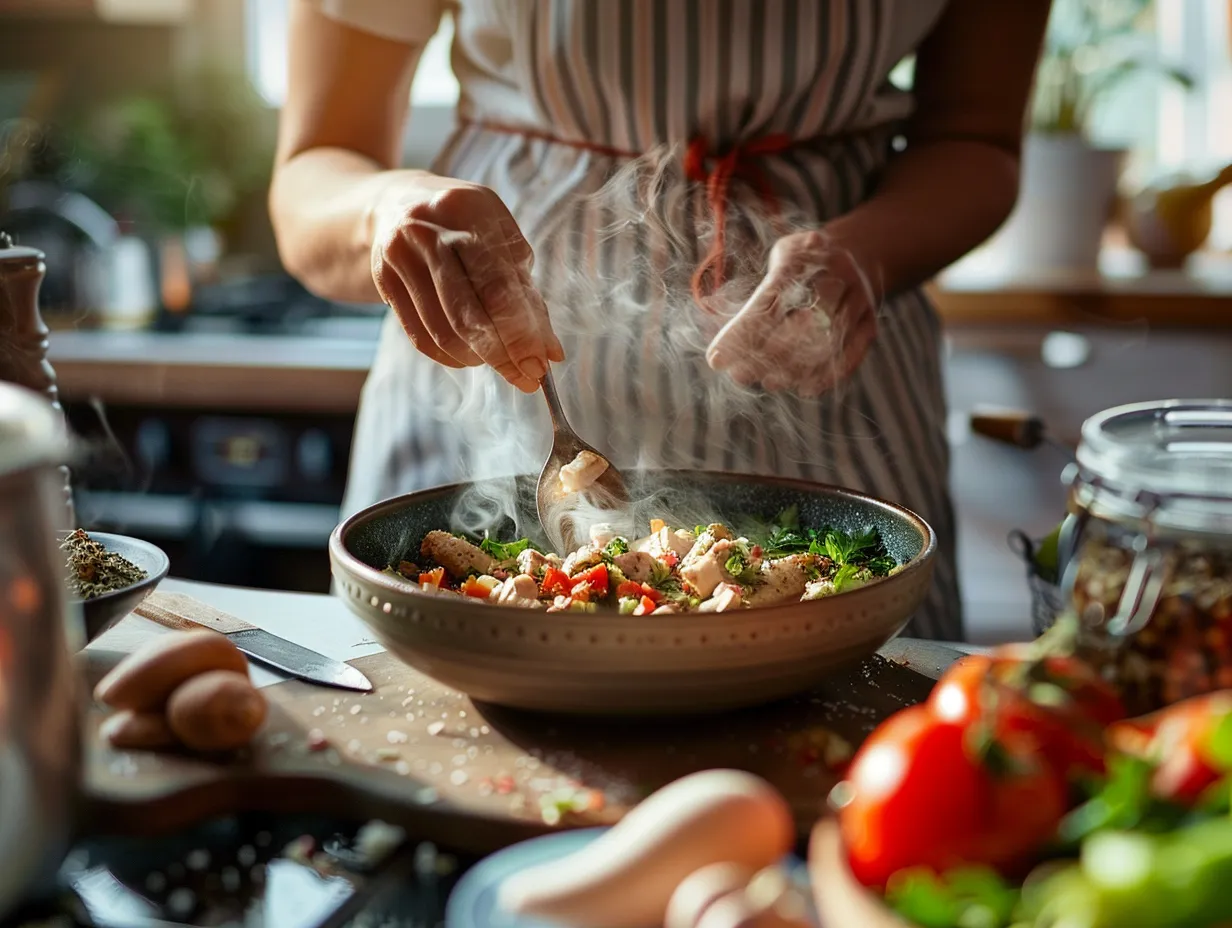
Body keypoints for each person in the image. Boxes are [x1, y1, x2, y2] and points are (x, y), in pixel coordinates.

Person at [270, 0, 1053, 641]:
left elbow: (977, 139)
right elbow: (315, 166)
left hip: (836, 363)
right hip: (474, 330)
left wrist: (867, 256)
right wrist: (386, 211)